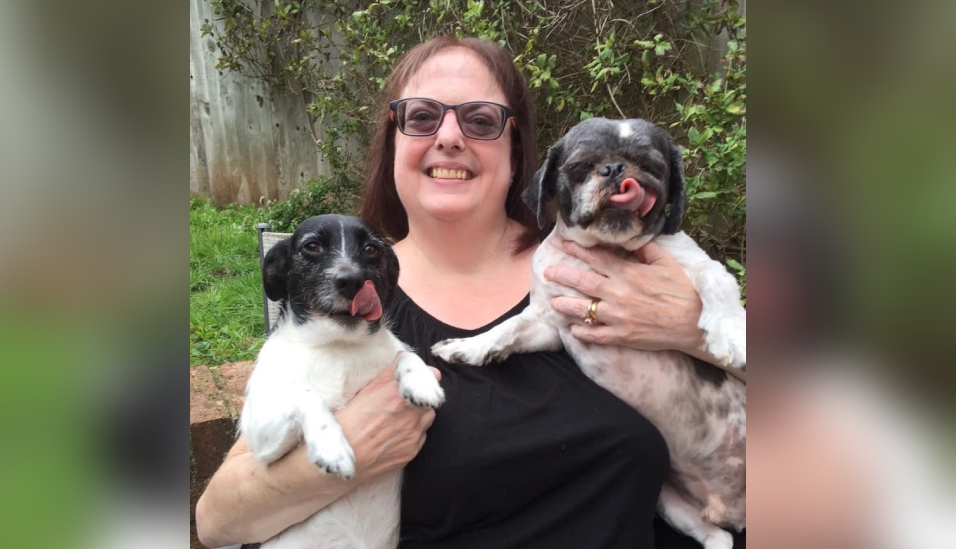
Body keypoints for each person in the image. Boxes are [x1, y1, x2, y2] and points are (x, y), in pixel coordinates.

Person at [196, 36, 745, 549]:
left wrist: (692, 329)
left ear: (518, 151)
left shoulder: (611, 264)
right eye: (422, 116)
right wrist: (353, 454)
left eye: (480, 120)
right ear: (393, 146)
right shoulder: (350, 301)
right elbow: (218, 520)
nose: (450, 136)